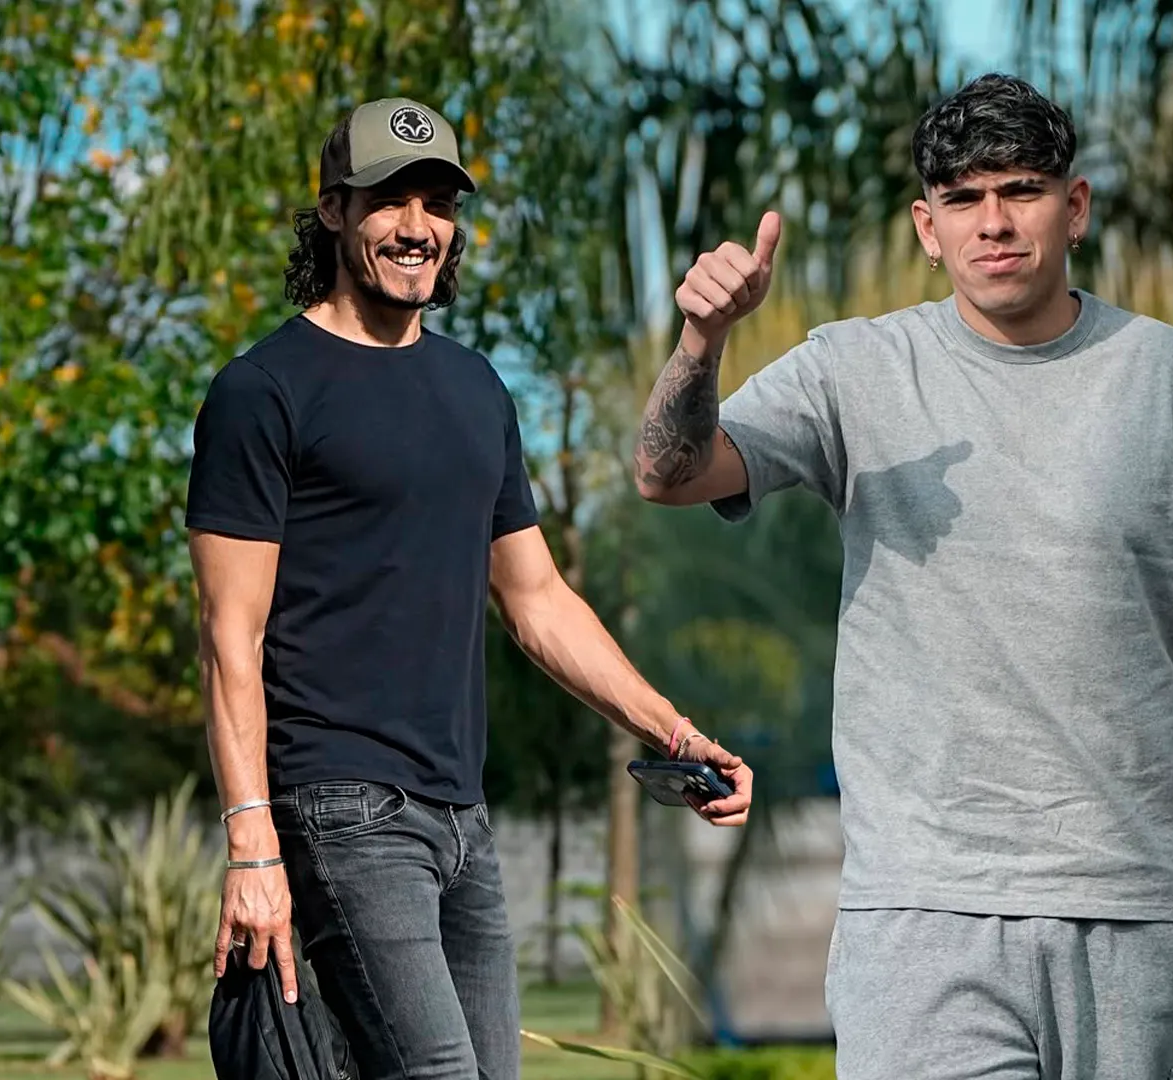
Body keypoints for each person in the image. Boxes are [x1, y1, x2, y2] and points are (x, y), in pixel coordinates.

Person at [631, 72, 1173, 1077]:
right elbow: (668, 472)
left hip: (1128, 909)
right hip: (922, 914)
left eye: (1021, 190)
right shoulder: (853, 371)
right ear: (928, 227)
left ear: (1075, 206)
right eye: (963, 199)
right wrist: (702, 340)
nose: (994, 222)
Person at [185, 96, 753, 1080]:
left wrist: (674, 732)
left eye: (439, 204)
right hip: (340, 806)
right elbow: (229, 635)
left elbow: (538, 600)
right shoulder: (263, 391)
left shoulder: (477, 389)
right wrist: (253, 847)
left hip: (461, 818)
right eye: (390, 200)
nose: (419, 227)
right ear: (333, 211)